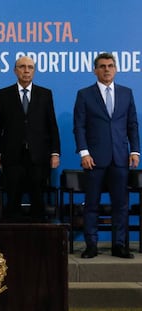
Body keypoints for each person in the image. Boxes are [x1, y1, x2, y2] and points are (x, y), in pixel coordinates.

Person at [73, 52, 140, 259]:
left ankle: (119, 245)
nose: (107, 69)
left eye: (110, 65)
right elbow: (79, 126)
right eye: (102, 66)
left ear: (116, 69)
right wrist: (84, 152)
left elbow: (132, 124)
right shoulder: (84, 94)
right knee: (91, 204)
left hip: (120, 158)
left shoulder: (127, 93)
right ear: (95, 70)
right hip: (94, 159)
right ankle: (91, 245)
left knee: (120, 205)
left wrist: (135, 150)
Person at [0, 56, 61, 222]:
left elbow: (52, 125)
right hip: (12, 156)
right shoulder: (4, 94)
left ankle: (37, 243)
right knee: (13, 199)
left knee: (38, 199)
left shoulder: (45, 94)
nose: (26, 70)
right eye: (22, 67)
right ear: (15, 70)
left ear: (34, 71)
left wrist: (55, 153)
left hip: (39, 156)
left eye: (30, 67)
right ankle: (11, 242)